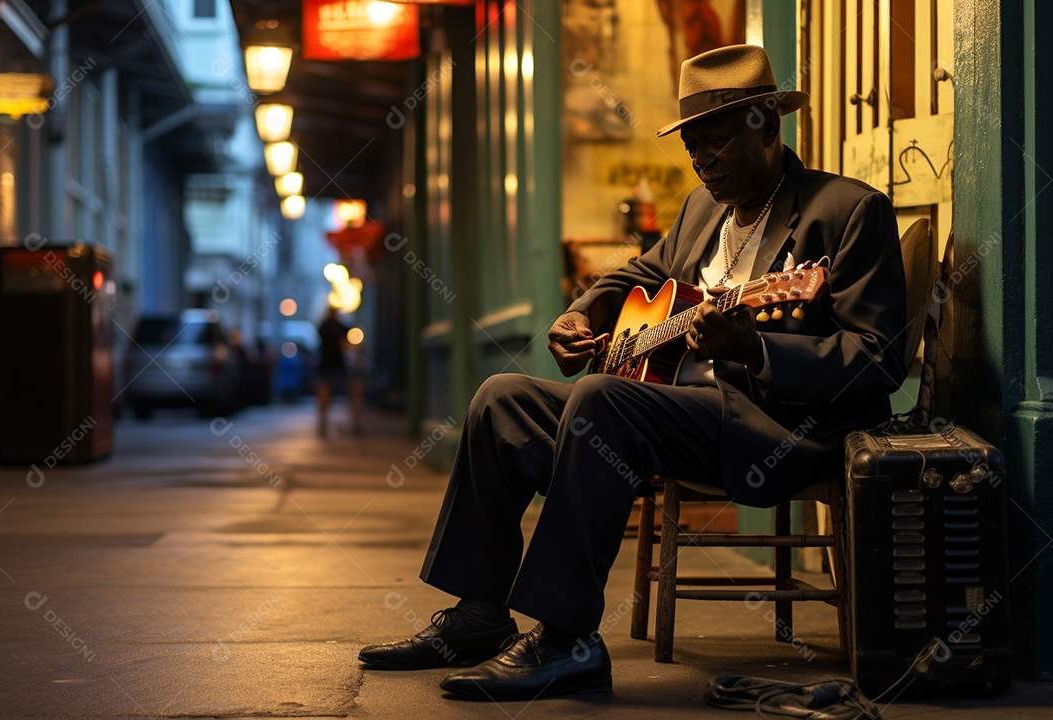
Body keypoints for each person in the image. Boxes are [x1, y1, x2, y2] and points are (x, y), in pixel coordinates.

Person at [359, 44, 907, 700]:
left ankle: (568, 640)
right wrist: (581, 309)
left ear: (767, 122)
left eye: (718, 143)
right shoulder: (702, 211)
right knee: (501, 397)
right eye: (693, 148)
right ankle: (480, 615)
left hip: (779, 427)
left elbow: (878, 358)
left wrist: (756, 351)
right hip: (674, 410)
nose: (703, 161)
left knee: (602, 400)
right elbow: (642, 272)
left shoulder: (848, 211)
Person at [315, 307, 361, 437]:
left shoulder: (323, 326)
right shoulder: (340, 326)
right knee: (352, 390)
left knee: (324, 394)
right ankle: (355, 423)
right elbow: (349, 341)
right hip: (338, 363)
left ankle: (323, 423)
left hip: (325, 363)